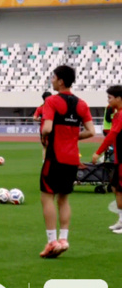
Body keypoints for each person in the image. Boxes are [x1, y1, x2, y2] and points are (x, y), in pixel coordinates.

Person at [39, 65, 95, 258]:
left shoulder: (52, 101)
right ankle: (63, 239)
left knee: (47, 196)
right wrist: (71, 137)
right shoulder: (81, 104)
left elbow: (47, 128)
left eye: (54, 77)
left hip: (55, 156)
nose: (52, 80)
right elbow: (91, 131)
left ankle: (51, 241)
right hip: (72, 158)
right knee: (64, 199)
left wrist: (45, 135)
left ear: (61, 81)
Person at [92, 85, 122, 233]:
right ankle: (121, 220)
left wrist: (98, 152)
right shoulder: (117, 115)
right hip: (119, 158)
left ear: (119, 98)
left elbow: (111, 135)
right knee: (116, 187)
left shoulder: (121, 115)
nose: (108, 100)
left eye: (110, 97)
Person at [33, 91, 53, 162]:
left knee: (46, 146)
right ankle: (47, 160)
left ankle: (45, 160)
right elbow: (34, 117)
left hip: (46, 129)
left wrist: (40, 119)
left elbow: (34, 118)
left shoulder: (41, 107)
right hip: (48, 129)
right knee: (49, 146)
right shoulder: (51, 108)